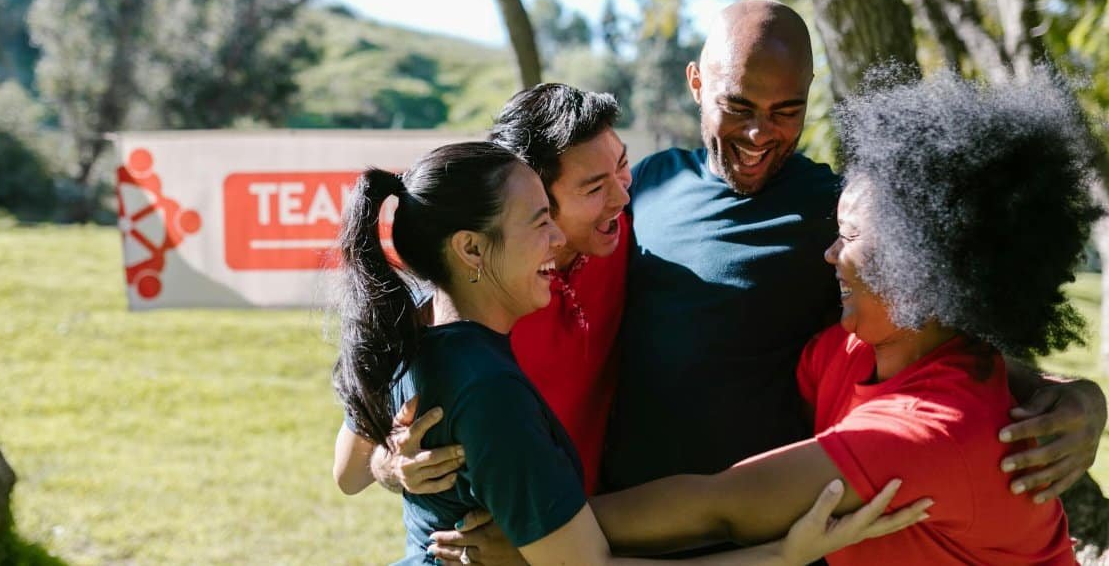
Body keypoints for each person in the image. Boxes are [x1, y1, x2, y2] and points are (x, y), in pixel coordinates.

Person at [427, 0, 1107, 564]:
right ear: (697, 83)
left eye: (786, 110)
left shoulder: (853, 213)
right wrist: (396, 438)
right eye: (739, 104)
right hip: (625, 522)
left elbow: (945, 343)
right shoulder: (639, 193)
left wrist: (1076, 396)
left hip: (772, 534)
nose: (759, 133)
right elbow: (515, 291)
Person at [332, 141, 928, 565]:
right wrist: (780, 555)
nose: (557, 238)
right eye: (539, 221)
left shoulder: (416, 339)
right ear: (470, 249)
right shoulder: (488, 388)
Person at [588, 69, 1093, 564]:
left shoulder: (931, 432)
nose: (829, 253)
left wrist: (551, 529)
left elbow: (722, 509)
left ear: (918, 261)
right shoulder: (850, 352)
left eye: (849, 237)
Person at [334, 84, 633, 497]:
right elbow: (349, 473)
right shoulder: (458, 306)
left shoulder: (625, 231)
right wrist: (392, 465)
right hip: (514, 526)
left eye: (623, 166)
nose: (622, 195)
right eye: (594, 188)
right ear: (532, 195)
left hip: (598, 516)